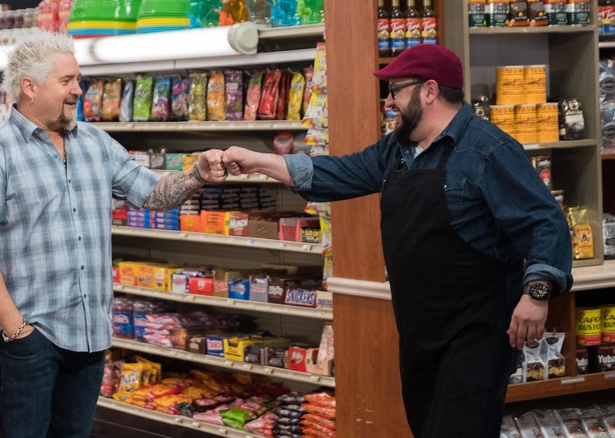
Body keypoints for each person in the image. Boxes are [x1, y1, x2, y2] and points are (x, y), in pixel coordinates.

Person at [222, 43, 573, 437]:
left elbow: (545, 222)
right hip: (419, 327)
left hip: (477, 331)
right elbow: (335, 173)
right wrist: (258, 161)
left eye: (395, 90)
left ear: (429, 91)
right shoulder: (398, 150)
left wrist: (537, 292)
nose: (388, 102)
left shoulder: (488, 150)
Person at [0, 32, 227, 438]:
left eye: (78, 79)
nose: (78, 90)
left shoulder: (96, 143)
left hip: (89, 335)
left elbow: (152, 194)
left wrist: (197, 174)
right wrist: (16, 330)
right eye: (67, 81)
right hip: (31, 338)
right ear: (30, 86)